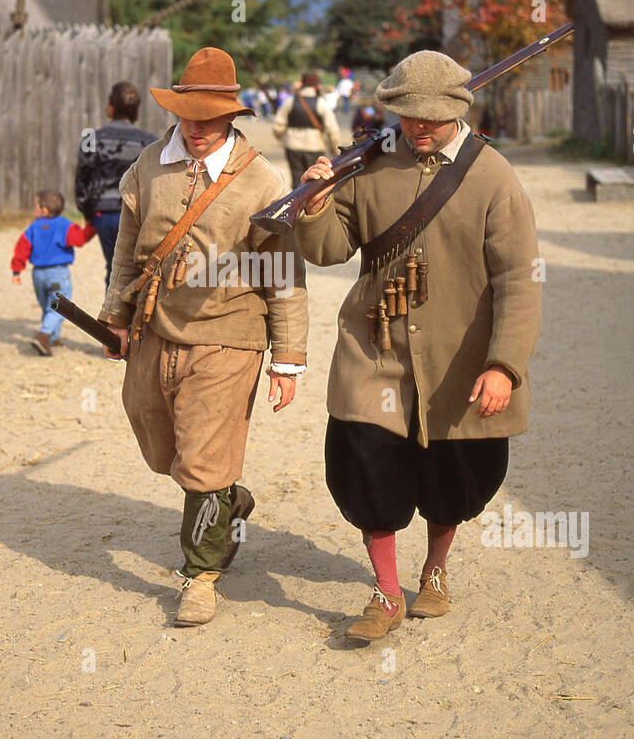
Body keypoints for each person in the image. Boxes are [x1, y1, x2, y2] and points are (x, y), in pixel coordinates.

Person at [294, 50, 541, 640]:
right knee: (365, 461)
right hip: (374, 349)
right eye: (409, 114)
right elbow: (328, 249)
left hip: (460, 354)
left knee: (454, 474)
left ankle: (433, 573)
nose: (420, 126)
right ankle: (384, 593)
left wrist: (504, 365)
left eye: (432, 115)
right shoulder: (368, 162)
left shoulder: (493, 175)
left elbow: (518, 278)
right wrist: (316, 203)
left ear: (457, 109)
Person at [97, 46, 309, 627]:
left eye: (210, 117)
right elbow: (126, 247)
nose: (196, 127)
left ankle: (199, 576)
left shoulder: (263, 181)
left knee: (206, 459)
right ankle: (230, 504)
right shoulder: (147, 164)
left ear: (231, 117)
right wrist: (116, 314)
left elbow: (285, 274)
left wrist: (287, 359)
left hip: (231, 332)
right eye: (188, 114)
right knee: (160, 438)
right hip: (155, 327)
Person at [74, 81, 159, 286]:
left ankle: (111, 316)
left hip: (102, 214)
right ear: (135, 110)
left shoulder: (91, 138)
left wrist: (87, 213)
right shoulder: (150, 142)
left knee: (113, 269)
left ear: (110, 107)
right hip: (136, 214)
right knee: (136, 269)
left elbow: (82, 179)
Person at [11, 188, 96, 355]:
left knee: (47, 307)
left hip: (38, 275)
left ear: (44, 210)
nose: (33, 208)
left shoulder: (33, 228)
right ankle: (44, 335)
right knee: (60, 306)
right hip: (57, 273)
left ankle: (52, 338)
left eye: (35, 205)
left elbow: (22, 248)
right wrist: (93, 226)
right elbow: (80, 239)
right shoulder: (64, 225)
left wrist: (17, 271)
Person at [272, 71, 340, 184]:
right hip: (315, 146)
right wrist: (335, 149)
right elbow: (332, 130)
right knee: (315, 182)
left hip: (292, 146)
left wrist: (283, 139)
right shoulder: (321, 103)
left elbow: (278, 126)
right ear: (316, 85)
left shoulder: (290, 101)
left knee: (296, 181)